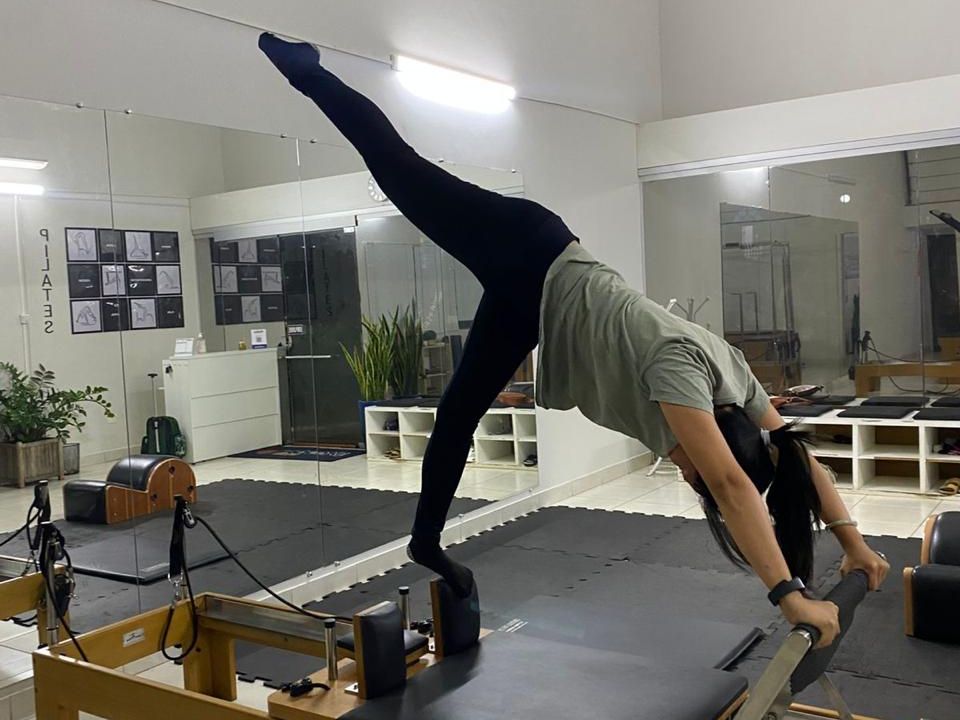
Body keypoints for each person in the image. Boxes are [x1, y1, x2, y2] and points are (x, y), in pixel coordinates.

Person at [258, 33, 889, 648]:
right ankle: (305, 69)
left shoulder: (737, 384)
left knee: (457, 413)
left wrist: (855, 544)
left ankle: (426, 541)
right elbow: (731, 484)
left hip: (532, 303)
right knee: (399, 167)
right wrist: (789, 596)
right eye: (690, 472)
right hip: (530, 250)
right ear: (716, 445)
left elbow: (796, 458)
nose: (683, 469)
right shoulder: (679, 373)